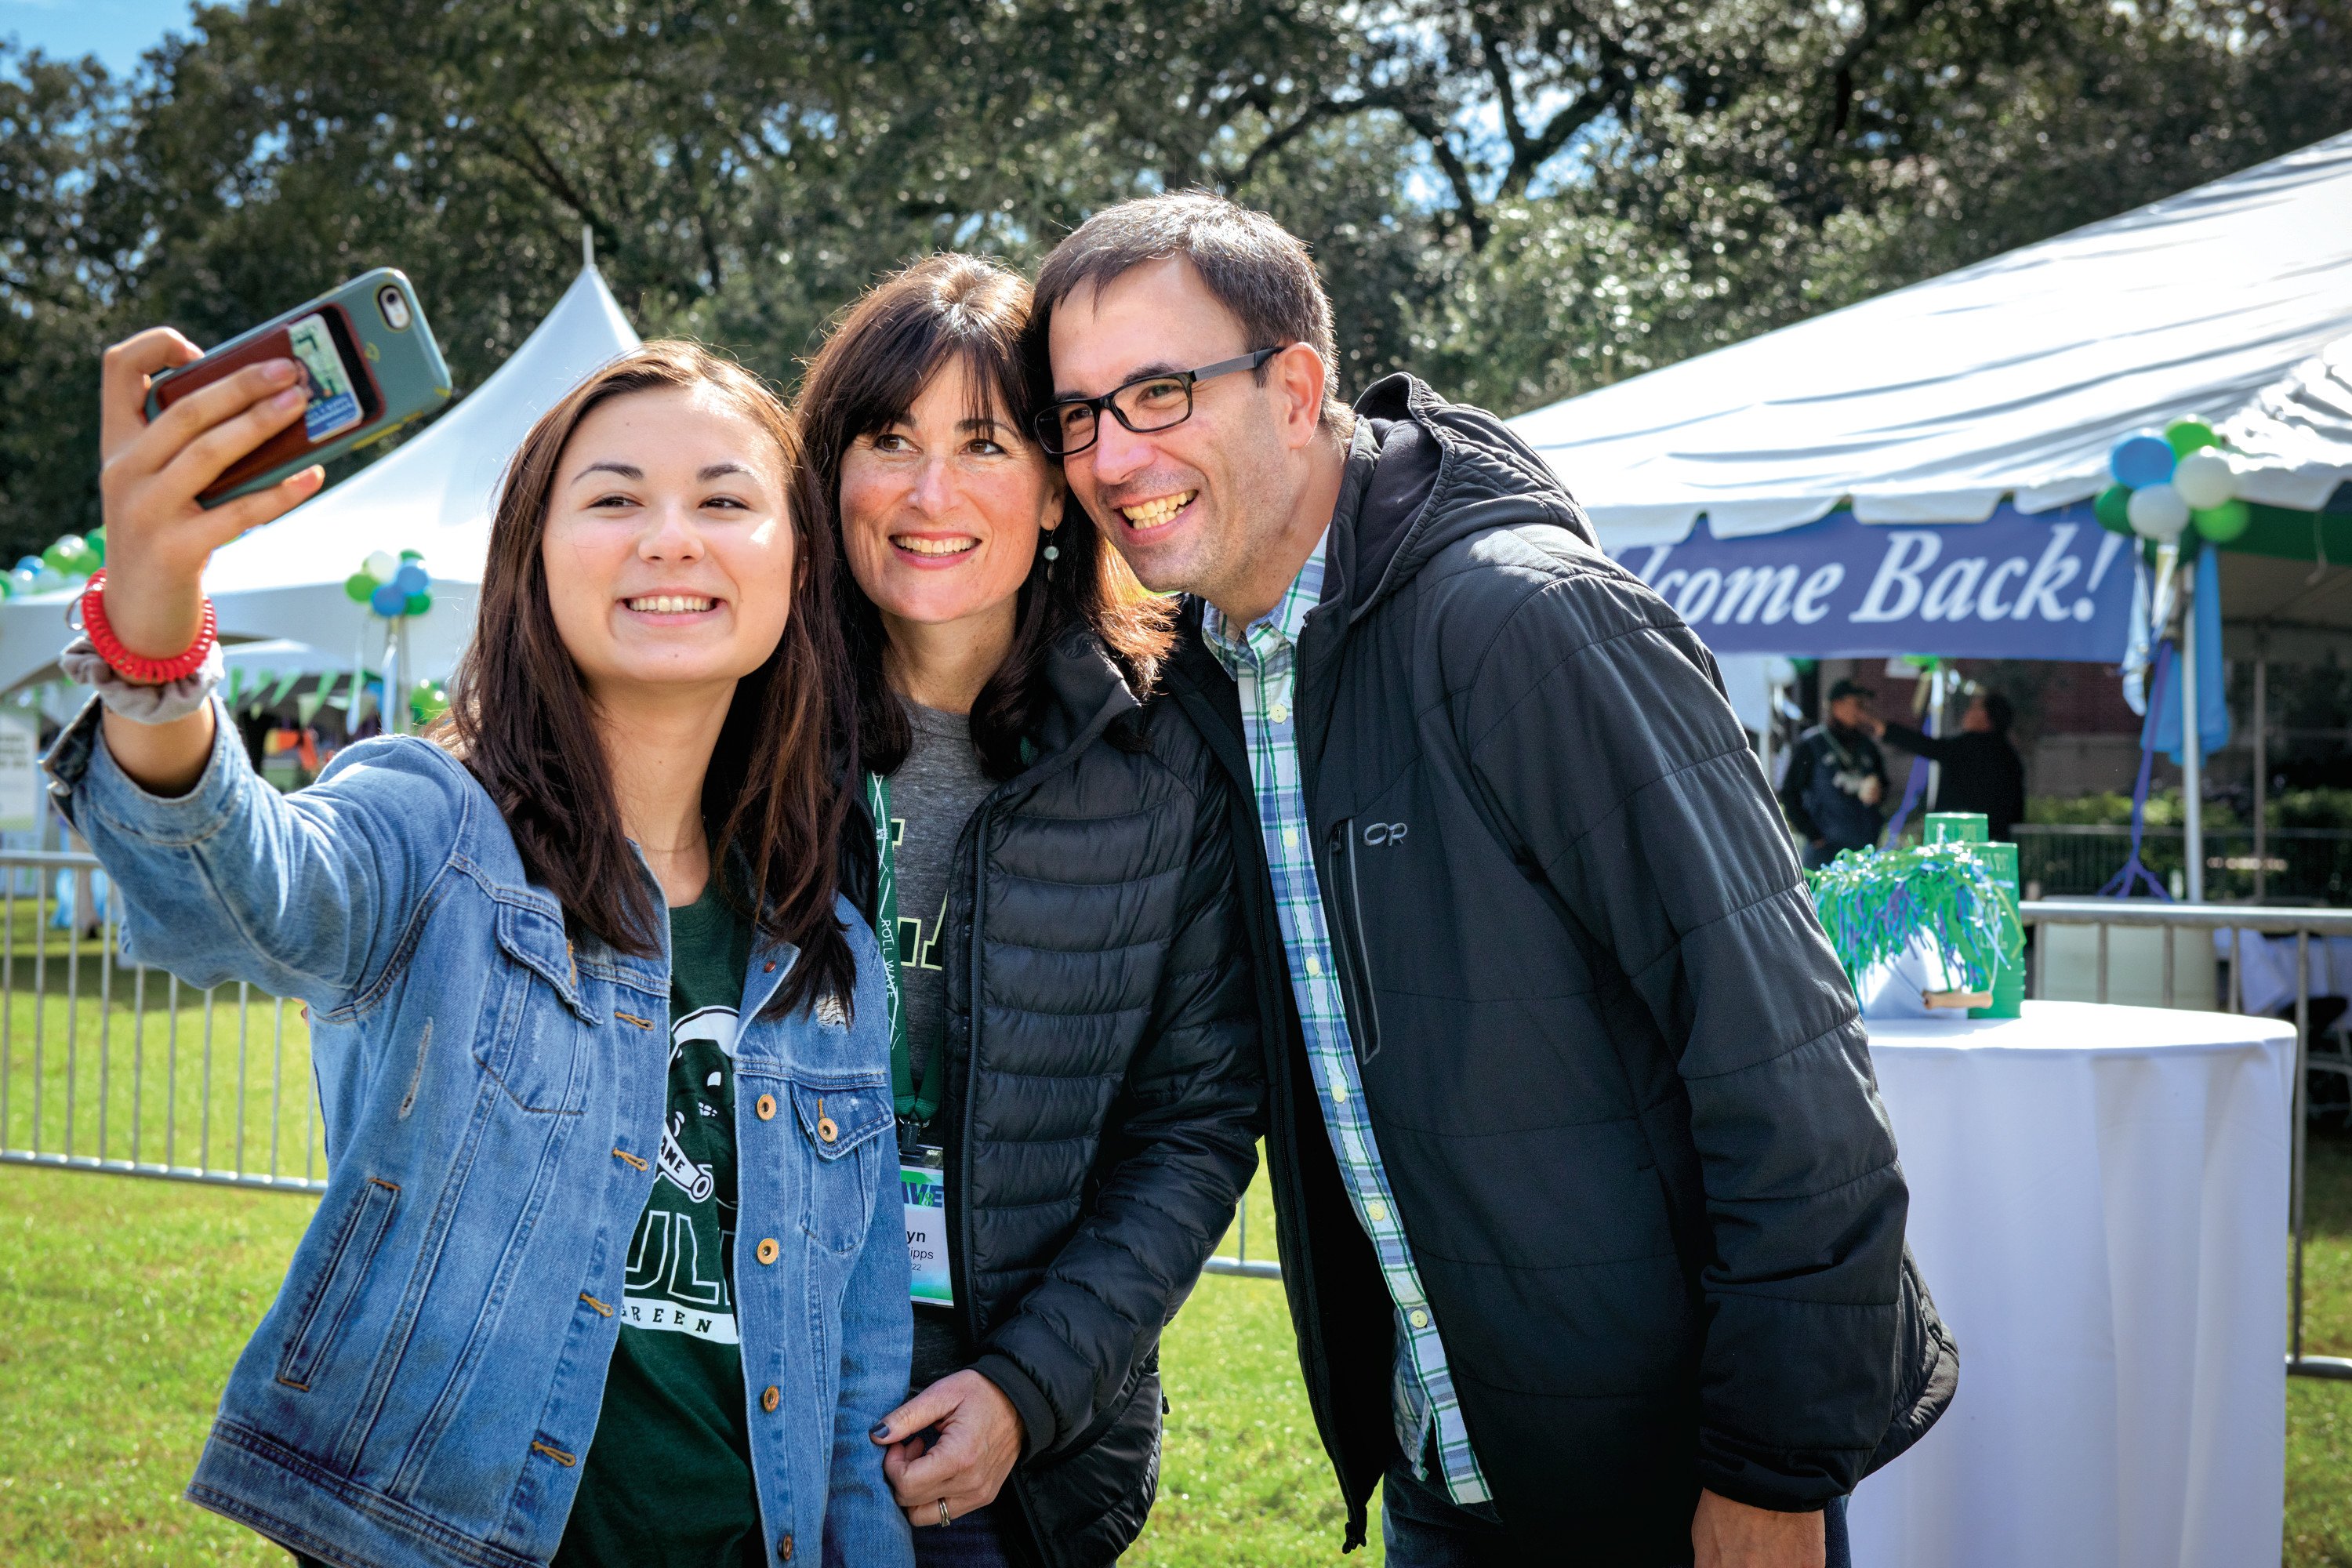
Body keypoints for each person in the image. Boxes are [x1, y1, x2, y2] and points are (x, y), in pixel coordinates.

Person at [1029, 192, 1956, 1567]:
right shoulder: (1219, 680)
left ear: (1296, 389)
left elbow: (1789, 1071)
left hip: (1673, 1488)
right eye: (1077, 414)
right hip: (1448, 1474)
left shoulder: (1529, 624)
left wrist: (1770, 1470)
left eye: (1160, 393)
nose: (1113, 455)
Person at [56, 334, 913, 1568]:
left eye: (726, 500)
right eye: (613, 498)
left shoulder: (824, 948)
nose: (671, 536)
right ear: (533, 556)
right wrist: (152, 638)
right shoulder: (432, 825)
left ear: (795, 567)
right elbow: (238, 898)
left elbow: (853, 1381)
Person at [794, 254, 1261, 1567]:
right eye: (889, 441)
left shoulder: (1164, 753)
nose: (929, 493)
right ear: (831, 478)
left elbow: (1197, 1124)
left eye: (986, 443)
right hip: (739, 1411)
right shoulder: (744, 727)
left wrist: (1023, 1392)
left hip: (1008, 1460)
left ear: (1060, 487)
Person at [1874, 689, 2028, 842]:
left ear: (1984, 715)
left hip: (1958, 838)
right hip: (1997, 841)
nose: (1966, 713)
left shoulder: (1970, 746)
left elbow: (1928, 746)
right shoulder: (2010, 757)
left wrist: (1884, 729)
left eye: (1972, 708)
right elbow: (2017, 810)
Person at [1780, 677, 1893, 867]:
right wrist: (1812, 834)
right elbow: (1790, 792)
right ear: (1837, 705)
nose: (1862, 710)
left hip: (1863, 849)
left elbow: (1885, 786)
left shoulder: (1867, 746)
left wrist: (1878, 793)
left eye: (1864, 704)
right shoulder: (1813, 744)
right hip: (1825, 851)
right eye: (1857, 704)